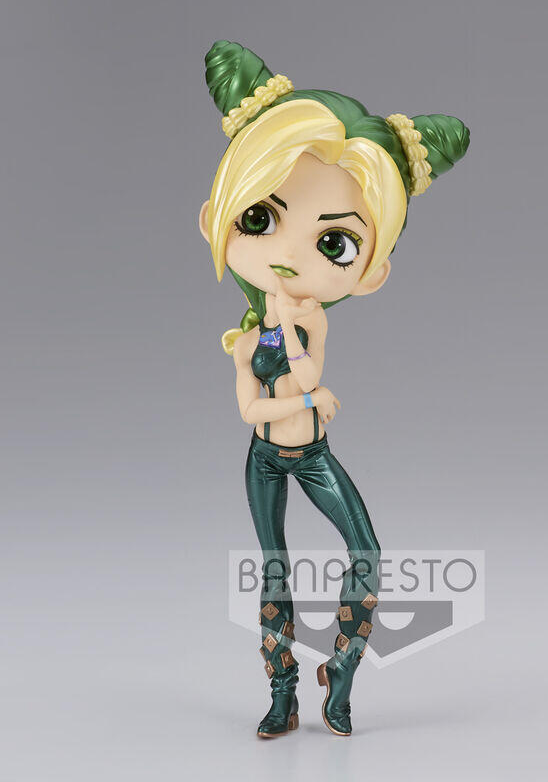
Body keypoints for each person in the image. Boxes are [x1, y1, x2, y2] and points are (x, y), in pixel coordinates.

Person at [197, 39, 469, 738]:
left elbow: (311, 372)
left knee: (366, 552)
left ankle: (340, 673)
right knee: (274, 569)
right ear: (216, 218)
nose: (289, 256)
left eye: (333, 244)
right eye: (260, 218)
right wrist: (305, 399)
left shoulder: (311, 322)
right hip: (266, 457)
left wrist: (294, 341)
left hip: (313, 455)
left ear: (370, 271)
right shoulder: (244, 344)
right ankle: (283, 690)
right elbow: (251, 408)